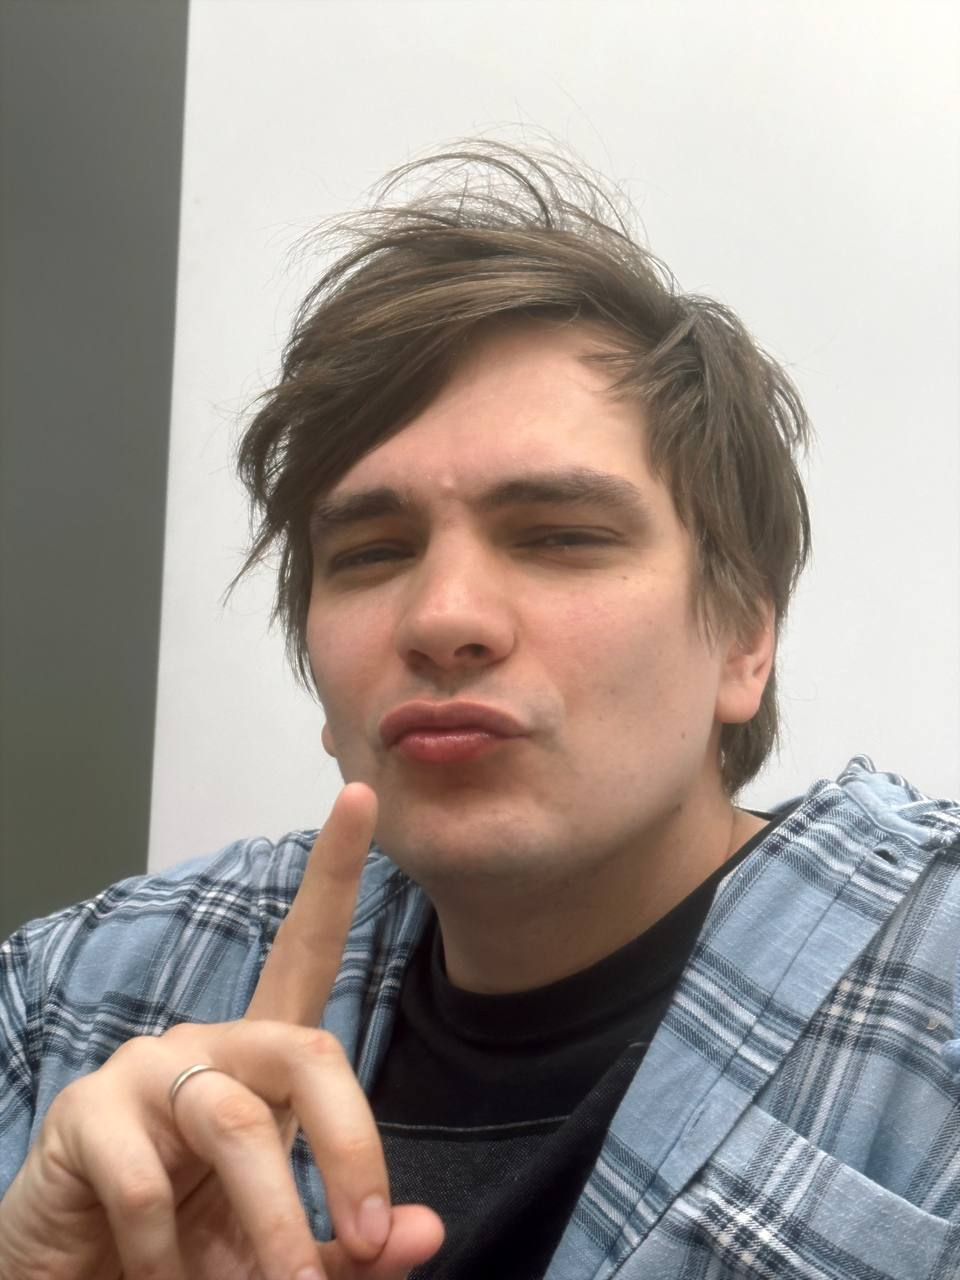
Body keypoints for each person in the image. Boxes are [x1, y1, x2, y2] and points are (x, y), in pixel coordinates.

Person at [2, 143, 959, 1280]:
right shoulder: (81, 995)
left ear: (745, 640)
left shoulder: (932, 1001)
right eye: (371, 552)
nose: (442, 617)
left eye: (560, 537)